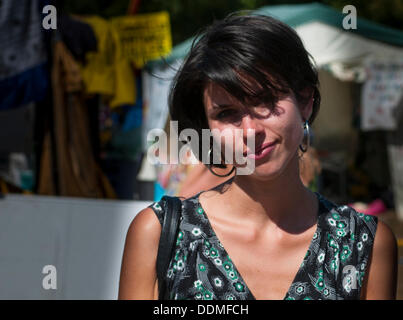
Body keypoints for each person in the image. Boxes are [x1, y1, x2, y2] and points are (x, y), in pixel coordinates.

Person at [118, 13, 397, 300]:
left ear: (305, 101)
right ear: (207, 128)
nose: (250, 131)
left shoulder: (362, 243)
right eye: (226, 113)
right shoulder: (162, 234)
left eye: (265, 100)